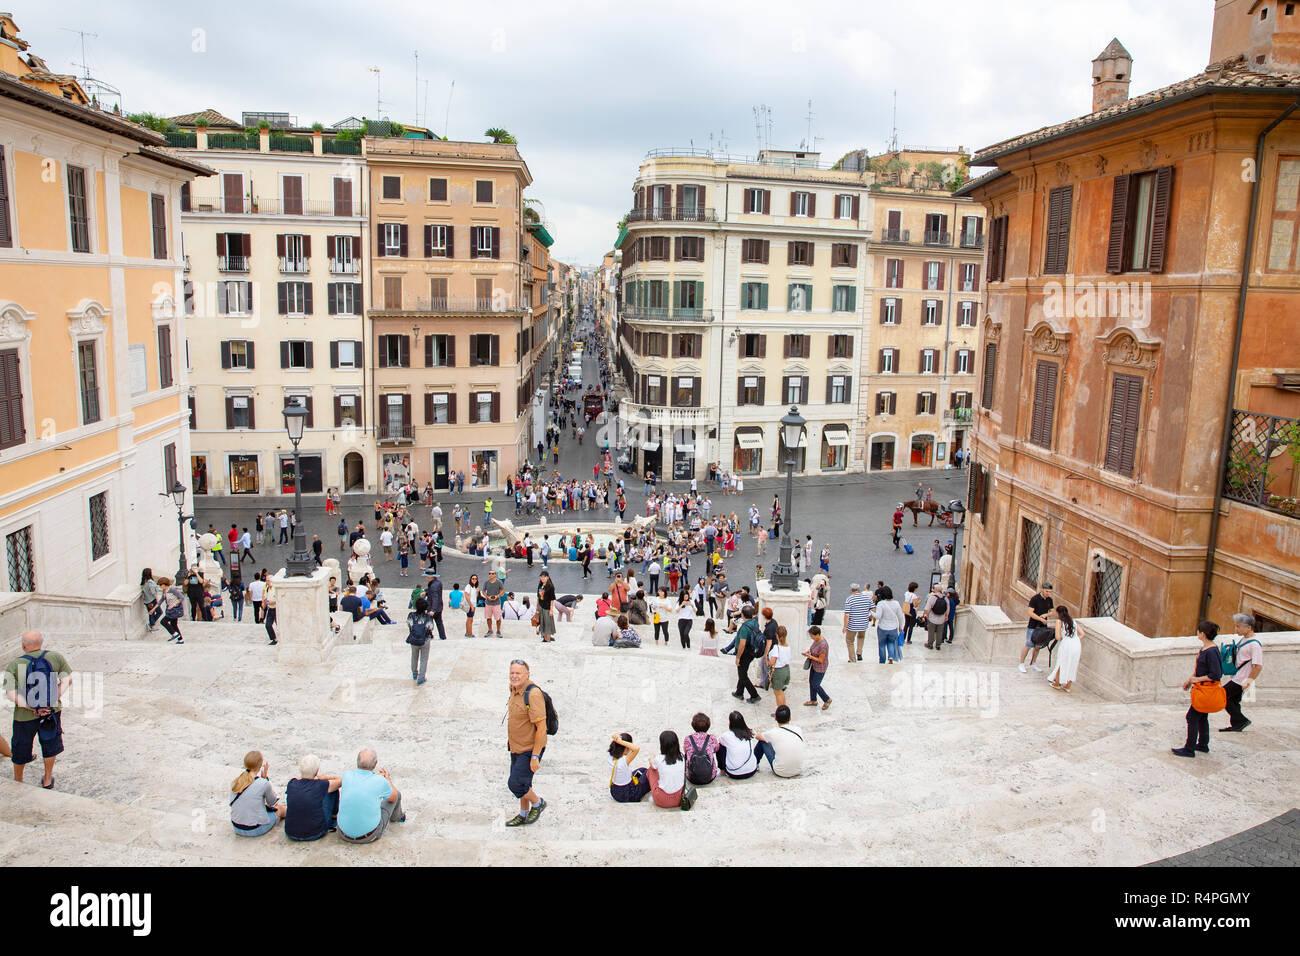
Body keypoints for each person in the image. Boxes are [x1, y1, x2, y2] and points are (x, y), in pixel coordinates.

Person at [3, 631, 73, 788]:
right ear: (41, 643)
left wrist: (32, 708)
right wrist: (52, 699)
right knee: (51, 742)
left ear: (23, 645)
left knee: (21, 746)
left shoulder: (14, 664)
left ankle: (18, 781)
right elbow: (68, 680)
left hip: (24, 716)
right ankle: (47, 779)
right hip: (51, 711)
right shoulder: (55, 657)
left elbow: (10, 694)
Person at [504, 660, 548, 827]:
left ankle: (538, 803)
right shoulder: (514, 689)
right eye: (512, 673)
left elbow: (542, 727)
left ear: (527, 674)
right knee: (524, 783)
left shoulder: (533, 694)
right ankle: (523, 814)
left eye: (518, 673)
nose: (514, 676)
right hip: (516, 746)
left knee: (515, 783)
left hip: (529, 748)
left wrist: (535, 756)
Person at [1172, 621, 1224, 758]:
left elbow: (1216, 674)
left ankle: (1189, 749)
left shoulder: (1211, 652)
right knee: (1202, 717)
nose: (1197, 633)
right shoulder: (1205, 649)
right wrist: (1190, 680)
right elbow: (1200, 669)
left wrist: (1197, 680)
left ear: (1203, 634)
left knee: (1191, 717)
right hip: (1202, 689)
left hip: (1205, 691)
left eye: (1199, 631)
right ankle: (1203, 744)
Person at [337, 748, 405, 843]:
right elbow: (393, 798)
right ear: (376, 763)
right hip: (369, 836)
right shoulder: (380, 781)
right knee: (396, 794)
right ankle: (398, 818)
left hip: (342, 834)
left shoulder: (347, 775)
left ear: (357, 762)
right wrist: (388, 779)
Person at [1221, 613, 1264, 733]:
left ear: (1249, 627)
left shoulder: (1254, 645)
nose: (1236, 629)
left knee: (1223, 696)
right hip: (1238, 677)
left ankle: (1241, 720)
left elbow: (1258, 666)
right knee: (1233, 700)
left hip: (1241, 679)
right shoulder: (1245, 640)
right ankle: (1237, 724)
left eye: (1238, 626)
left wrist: (1249, 681)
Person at [229, 750, 285, 836]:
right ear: (260, 765)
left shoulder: (236, 781)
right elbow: (273, 802)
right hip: (255, 829)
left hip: (237, 827)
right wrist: (265, 779)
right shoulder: (263, 783)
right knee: (281, 808)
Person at [754, 705, 805, 777]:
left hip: (781, 771)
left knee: (763, 741)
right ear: (790, 718)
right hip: (798, 770)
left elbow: (757, 736)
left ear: (775, 718)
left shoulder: (773, 732)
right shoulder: (798, 729)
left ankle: (754, 764)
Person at [648, 730, 692, 809]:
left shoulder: (659, 759)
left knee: (651, 771)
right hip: (679, 798)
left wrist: (651, 758)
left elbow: (652, 765)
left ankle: (654, 794)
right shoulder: (682, 757)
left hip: (662, 800)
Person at [1019, 582, 1055, 673]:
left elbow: (1052, 611)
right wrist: (1040, 619)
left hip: (1043, 627)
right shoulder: (1034, 599)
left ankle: (1033, 663)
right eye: (1047, 591)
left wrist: (1046, 615)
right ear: (1042, 589)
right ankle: (1021, 663)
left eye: (1050, 592)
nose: (1048, 593)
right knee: (1028, 644)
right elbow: (1030, 613)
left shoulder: (1049, 600)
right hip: (1033, 626)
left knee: (1038, 646)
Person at [607, 733, 651, 803]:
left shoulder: (609, 754)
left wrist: (618, 740)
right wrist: (621, 741)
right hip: (628, 794)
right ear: (626, 747)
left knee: (642, 770)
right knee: (649, 773)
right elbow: (636, 748)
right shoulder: (623, 761)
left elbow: (613, 735)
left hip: (614, 791)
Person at [1046, 605, 1082, 692]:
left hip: (1066, 644)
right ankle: (1068, 686)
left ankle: (1057, 684)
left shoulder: (1059, 621)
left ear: (1058, 613)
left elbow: (1057, 637)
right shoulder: (1073, 621)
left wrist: (1066, 640)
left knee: (1061, 662)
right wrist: (1074, 640)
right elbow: (1082, 634)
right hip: (1077, 643)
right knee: (1073, 663)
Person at [731, 605, 762, 703]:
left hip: (744, 654)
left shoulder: (744, 627)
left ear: (743, 615)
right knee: (742, 672)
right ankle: (739, 692)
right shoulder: (754, 623)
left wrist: (738, 657)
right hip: (751, 652)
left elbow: (742, 644)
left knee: (743, 675)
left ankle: (754, 695)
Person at [716, 711, 759, 779]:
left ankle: (722, 772)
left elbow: (719, 741)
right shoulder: (749, 733)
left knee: (720, 746)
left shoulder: (727, 736)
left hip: (734, 773)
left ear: (730, 723)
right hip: (752, 770)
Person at [683, 713, 720, 785]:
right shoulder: (712, 738)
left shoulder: (688, 739)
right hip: (710, 776)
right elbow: (716, 749)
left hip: (692, 777)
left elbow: (686, 751)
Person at [872, 586, 905, 664]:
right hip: (893, 628)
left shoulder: (881, 604)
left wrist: (871, 612)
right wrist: (901, 627)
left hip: (882, 628)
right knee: (891, 643)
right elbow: (901, 616)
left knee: (882, 645)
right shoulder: (896, 603)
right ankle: (891, 656)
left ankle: (882, 661)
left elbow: (878, 616)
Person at [842, 582, 873, 663]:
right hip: (863, 624)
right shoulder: (867, 598)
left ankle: (852, 659)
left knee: (849, 641)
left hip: (853, 625)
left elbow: (847, 615)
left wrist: (845, 626)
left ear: (851, 590)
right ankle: (859, 652)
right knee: (861, 637)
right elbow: (873, 609)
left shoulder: (850, 599)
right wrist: (870, 616)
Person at [407, 598, 435, 685]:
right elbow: (431, 627)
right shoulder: (428, 617)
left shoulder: (411, 615)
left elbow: (409, 624)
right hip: (425, 640)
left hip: (414, 639)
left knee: (414, 656)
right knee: (424, 659)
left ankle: (414, 673)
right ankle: (421, 678)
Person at [803, 625, 831, 709]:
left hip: (820, 667)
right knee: (811, 682)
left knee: (816, 684)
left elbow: (821, 660)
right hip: (814, 665)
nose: (812, 638)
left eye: (812, 636)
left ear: (817, 634)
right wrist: (809, 651)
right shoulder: (816, 640)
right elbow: (813, 648)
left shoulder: (823, 645)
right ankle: (813, 700)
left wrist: (810, 656)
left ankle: (827, 699)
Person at [766, 625, 792, 710]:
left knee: (777, 693)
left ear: (777, 635)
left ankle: (780, 711)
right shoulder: (787, 646)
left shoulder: (776, 647)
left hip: (778, 672)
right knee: (781, 691)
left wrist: (767, 662)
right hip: (786, 669)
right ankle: (784, 709)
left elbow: (773, 661)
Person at [158, 576, 184, 643]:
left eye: (160, 585)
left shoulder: (172, 589)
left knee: (163, 621)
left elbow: (181, 597)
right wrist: (155, 608)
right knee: (174, 624)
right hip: (170, 610)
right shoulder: (164, 591)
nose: (159, 586)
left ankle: (174, 634)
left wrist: (173, 605)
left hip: (174, 610)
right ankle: (180, 639)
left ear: (164, 584)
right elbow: (161, 600)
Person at [481, 569, 506, 638]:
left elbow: (503, 590)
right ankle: (490, 630)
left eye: (492, 573)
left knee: (498, 618)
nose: (491, 575)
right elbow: (483, 591)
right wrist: (487, 596)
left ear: (495, 574)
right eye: (490, 573)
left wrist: (497, 596)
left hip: (496, 603)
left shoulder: (499, 582)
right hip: (488, 603)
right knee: (488, 617)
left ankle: (498, 631)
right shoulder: (486, 582)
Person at [922, 584, 947, 651]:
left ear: (935, 589)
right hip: (941, 618)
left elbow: (927, 608)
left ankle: (930, 644)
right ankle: (938, 645)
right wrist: (946, 616)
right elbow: (947, 609)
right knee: (939, 632)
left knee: (931, 631)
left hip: (932, 618)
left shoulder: (932, 597)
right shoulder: (945, 598)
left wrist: (926, 615)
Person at [425, 572, 447, 641]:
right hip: (439, 606)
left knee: (428, 622)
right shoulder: (437, 583)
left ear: (430, 577)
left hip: (433, 607)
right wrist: (426, 593)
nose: (425, 578)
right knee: (439, 622)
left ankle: (429, 636)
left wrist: (433, 610)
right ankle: (443, 636)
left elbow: (435, 597)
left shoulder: (433, 585)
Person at [537, 571, 557, 643]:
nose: (542, 578)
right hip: (541, 606)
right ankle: (545, 638)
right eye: (541, 576)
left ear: (547, 577)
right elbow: (538, 597)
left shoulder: (550, 587)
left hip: (547, 607)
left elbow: (552, 599)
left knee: (547, 623)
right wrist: (537, 607)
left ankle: (547, 639)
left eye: (544, 577)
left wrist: (551, 609)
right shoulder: (540, 585)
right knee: (542, 623)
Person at [463, 573, 479, 638]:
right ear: (470, 579)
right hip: (470, 605)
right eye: (473, 578)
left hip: (473, 605)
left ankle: (467, 632)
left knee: (469, 619)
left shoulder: (474, 587)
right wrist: (471, 605)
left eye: (475, 579)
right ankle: (470, 634)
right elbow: (466, 596)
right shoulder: (468, 586)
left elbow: (475, 597)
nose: (474, 580)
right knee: (470, 619)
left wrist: (477, 592)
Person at [263, 580, 278, 645]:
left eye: (268, 581)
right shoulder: (267, 589)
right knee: (268, 625)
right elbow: (265, 597)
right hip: (270, 608)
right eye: (266, 581)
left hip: (276, 608)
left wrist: (273, 602)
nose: (267, 582)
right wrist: (266, 603)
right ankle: (274, 639)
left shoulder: (276, 588)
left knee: (279, 624)